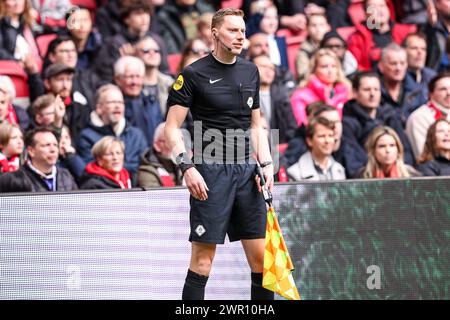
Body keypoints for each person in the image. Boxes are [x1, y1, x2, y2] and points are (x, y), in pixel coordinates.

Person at [165, 8, 274, 300]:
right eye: (233, 31)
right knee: (202, 262)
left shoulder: (251, 71)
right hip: (209, 172)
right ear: (215, 33)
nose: (241, 36)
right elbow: (171, 128)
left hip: (247, 174)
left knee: (263, 262)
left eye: (242, 31)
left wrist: (267, 164)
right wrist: (187, 168)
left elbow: (256, 126)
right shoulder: (193, 74)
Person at [342, 71, 415, 176]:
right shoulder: (347, 123)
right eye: (367, 90)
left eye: (376, 89)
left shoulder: (391, 116)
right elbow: (353, 161)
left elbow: (406, 152)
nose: (372, 94)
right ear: (355, 92)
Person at [77, 84, 147, 182]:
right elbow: (91, 171)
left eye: (120, 102)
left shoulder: (137, 135)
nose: (117, 106)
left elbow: (146, 166)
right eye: (112, 102)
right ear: (99, 108)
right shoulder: (86, 137)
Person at [0, 127, 78, 191]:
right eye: (47, 145)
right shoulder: (12, 180)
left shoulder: (66, 176)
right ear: (31, 151)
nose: (53, 150)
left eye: (55, 145)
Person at [347, 0, 416, 71]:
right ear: (366, 14)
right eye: (373, 7)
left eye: (382, 6)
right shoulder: (357, 37)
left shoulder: (406, 32)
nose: (379, 10)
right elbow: (355, 67)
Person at [290, 48, 351, 126]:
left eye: (333, 66)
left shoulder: (346, 91)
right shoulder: (300, 96)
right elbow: (302, 125)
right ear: (314, 69)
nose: (330, 71)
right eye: (324, 66)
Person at [287, 116, 346, 181]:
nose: (327, 140)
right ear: (309, 140)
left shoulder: (339, 169)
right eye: (322, 136)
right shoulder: (295, 172)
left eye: (330, 136)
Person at [406, 73, 450, 158]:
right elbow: (423, 155)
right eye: (443, 89)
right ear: (430, 94)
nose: (448, 93)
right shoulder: (419, 117)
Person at [356, 126, 420, 178]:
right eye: (382, 146)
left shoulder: (412, 176)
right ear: (373, 151)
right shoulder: (362, 176)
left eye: (392, 145)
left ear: (398, 149)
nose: (387, 150)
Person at [134, 35, 174, 117]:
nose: (152, 53)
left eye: (156, 50)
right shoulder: (132, 84)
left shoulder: (170, 83)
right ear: (136, 54)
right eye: (146, 51)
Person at [137, 122, 182, 188]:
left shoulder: (184, 165)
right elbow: (156, 198)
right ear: (157, 145)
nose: (178, 146)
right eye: (172, 141)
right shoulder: (147, 171)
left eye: (181, 140)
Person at [295, 13, 331, 82]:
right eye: (314, 25)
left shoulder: (334, 45)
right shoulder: (303, 52)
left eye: (321, 25)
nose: (318, 29)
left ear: (328, 27)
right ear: (307, 28)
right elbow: (303, 77)